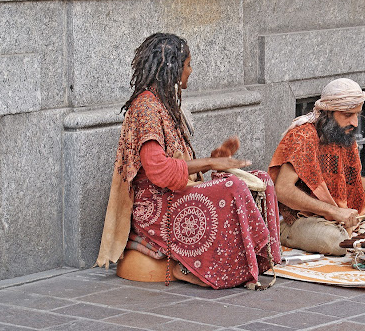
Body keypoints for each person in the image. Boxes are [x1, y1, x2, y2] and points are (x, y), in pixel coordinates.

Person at [96, 33, 281, 289]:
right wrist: (209, 164)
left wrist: (216, 158)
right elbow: (159, 171)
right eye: (188, 64)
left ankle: (259, 261)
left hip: (177, 193)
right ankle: (208, 268)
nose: (191, 71)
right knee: (233, 188)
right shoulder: (146, 108)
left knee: (261, 178)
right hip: (156, 207)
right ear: (172, 67)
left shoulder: (166, 105)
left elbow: (181, 164)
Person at [269, 78, 365, 256]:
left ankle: (353, 234)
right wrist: (334, 211)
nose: (355, 122)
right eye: (348, 115)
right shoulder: (304, 136)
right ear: (328, 113)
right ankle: (354, 235)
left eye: (357, 114)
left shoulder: (342, 135)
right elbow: (282, 190)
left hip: (337, 212)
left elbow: (350, 184)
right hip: (299, 219)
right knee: (335, 241)